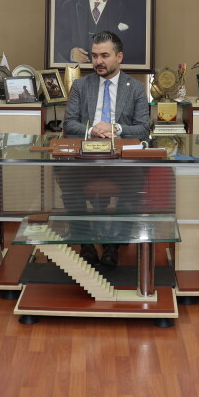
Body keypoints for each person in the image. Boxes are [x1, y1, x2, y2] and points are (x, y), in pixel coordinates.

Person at [61, 31, 152, 265]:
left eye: (104, 55)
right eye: (94, 56)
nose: (98, 61)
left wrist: (116, 128)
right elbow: (69, 124)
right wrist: (93, 130)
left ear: (119, 57)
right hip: (85, 159)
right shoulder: (81, 85)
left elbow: (143, 128)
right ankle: (86, 243)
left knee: (135, 179)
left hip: (120, 160)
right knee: (66, 177)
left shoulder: (136, 88)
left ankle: (114, 245)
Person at [54, 0, 146, 65]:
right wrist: (71, 52)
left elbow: (138, 45)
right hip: (80, 71)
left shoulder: (129, 9)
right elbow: (59, 38)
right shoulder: (69, 7)